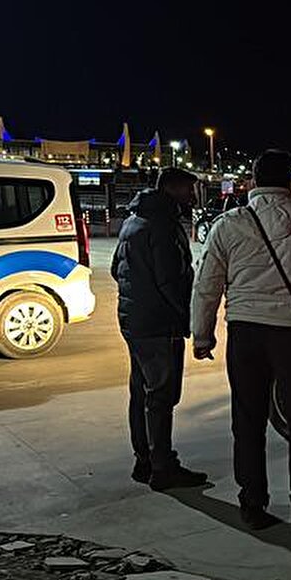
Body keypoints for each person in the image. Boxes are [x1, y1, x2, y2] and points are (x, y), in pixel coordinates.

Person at [191, 149, 291, 530]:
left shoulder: (229, 225)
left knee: (248, 420)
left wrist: (202, 334)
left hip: (245, 333)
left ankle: (252, 505)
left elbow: (207, 285)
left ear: (253, 181)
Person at [111, 167, 208, 492]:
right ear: (172, 189)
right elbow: (170, 280)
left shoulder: (134, 220)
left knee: (142, 392)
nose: (193, 197)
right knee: (162, 396)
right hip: (158, 323)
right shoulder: (163, 225)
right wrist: (186, 316)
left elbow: (115, 269)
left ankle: (144, 461)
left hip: (134, 320)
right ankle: (163, 467)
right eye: (189, 190)